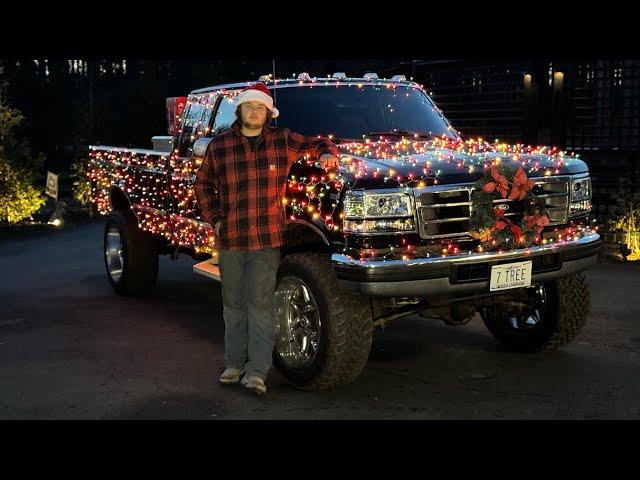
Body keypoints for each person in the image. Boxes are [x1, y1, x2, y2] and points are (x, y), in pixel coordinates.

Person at [194, 82, 340, 395]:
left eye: (260, 107)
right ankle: (234, 363)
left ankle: (257, 372)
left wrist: (326, 153)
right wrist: (217, 220)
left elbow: (317, 142)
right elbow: (202, 186)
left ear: (267, 113)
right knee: (233, 306)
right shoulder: (219, 147)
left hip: (266, 239)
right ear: (240, 110)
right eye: (250, 106)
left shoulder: (282, 141)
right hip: (231, 240)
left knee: (260, 306)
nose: (255, 112)